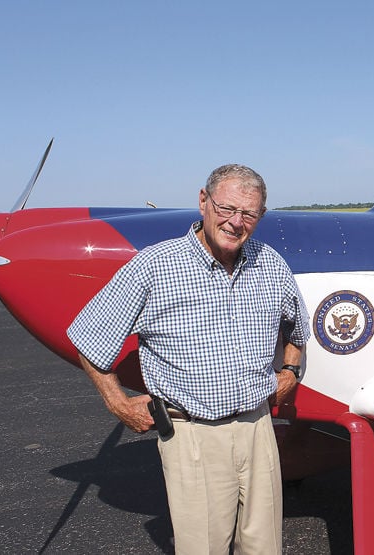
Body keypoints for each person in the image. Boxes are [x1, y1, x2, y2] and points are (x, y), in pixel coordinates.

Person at [67, 164, 310, 554]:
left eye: (248, 214)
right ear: (203, 201)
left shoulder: (271, 264)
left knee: (265, 547)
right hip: (193, 435)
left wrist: (290, 369)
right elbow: (90, 338)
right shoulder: (154, 266)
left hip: (258, 428)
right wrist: (118, 403)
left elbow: (297, 329)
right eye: (226, 208)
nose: (235, 222)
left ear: (260, 217)